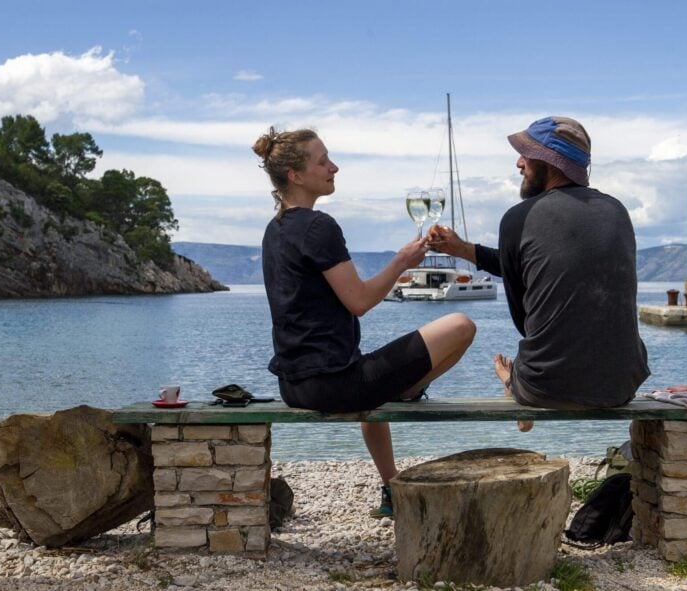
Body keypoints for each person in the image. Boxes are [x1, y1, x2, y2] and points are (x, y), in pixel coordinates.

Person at [253, 127, 477, 517]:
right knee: (461, 325)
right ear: (295, 175)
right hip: (332, 386)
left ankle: (391, 486)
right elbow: (358, 301)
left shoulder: (276, 229)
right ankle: (409, 390)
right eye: (322, 161)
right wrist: (401, 263)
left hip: (294, 384)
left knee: (375, 378)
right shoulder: (318, 226)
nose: (333, 167)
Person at [429, 116, 649, 431]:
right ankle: (518, 383)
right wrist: (464, 249)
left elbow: (523, 319)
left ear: (549, 161)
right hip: (622, 387)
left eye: (526, 155)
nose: (519, 163)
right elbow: (544, 263)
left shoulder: (519, 218)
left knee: (530, 361)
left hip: (547, 387)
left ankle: (514, 384)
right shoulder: (616, 210)